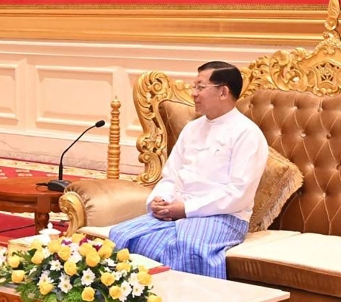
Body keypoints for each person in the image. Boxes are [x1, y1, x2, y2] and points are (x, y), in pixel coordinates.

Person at [107, 61, 268, 279]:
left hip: (224, 217)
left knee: (185, 246)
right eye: (194, 87)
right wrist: (160, 200)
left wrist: (186, 209)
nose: (193, 94)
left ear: (223, 92)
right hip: (177, 211)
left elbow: (238, 193)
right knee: (119, 235)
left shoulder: (247, 133)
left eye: (200, 87)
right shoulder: (192, 128)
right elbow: (170, 176)